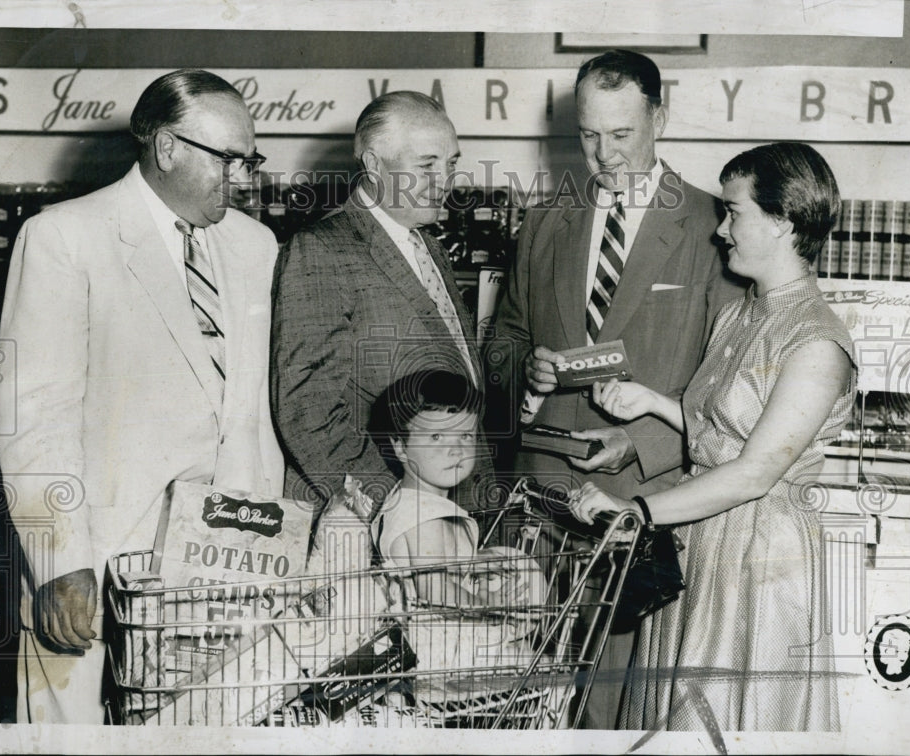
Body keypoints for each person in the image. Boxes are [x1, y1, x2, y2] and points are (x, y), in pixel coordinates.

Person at [0, 69, 286, 724]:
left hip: (226, 572)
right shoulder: (64, 238)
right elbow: (34, 418)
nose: (244, 178)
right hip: (95, 569)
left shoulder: (257, 247)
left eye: (251, 159)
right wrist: (59, 561)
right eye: (229, 159)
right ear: (166, 146)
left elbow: (256, 412)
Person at [484, 49, 745, 727]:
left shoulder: (716, 230)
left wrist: (638, 442)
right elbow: (504, 342)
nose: (604, 155)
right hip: (537, 501)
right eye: (589, 135)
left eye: (622, 134)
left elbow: (724, 383)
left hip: (637, 501)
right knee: (516, 694)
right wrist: (527, 371)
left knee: (606, 711)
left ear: (660, 117)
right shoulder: (545, 222)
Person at [568, 142, 856, 731]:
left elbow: (753, 472)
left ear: (782, 221)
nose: (721, 230)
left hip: (759, 559)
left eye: (734, 212)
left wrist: (636, 509)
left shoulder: (817, 343)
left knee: (721, 722)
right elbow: (718, 432)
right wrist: (651, 403)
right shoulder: (740, 314)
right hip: (699, 541)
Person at [272, 91, 486, 517]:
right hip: (371, 520)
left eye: (451, 164)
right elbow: (307, 410)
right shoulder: (322, 249)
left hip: (440, 508)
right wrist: (397, 507)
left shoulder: (427, 246)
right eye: (426, 165)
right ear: (373, 165)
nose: (444, 181)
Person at [367, 370, 543, 609]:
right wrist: (484, 605)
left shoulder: (415, 502)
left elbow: (428, 564)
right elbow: (438, 596)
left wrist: (467, 562)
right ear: (400, 447)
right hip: (441, 638)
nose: (456, 450)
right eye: (437, 436)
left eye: (465, 435)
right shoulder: (424, 518)